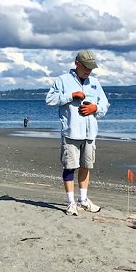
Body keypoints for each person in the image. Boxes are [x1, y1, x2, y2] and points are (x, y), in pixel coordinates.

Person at [45, 49, 110, 216]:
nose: (88, 70)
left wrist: (95, 108)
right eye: (86, 67)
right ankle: (71, 202)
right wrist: (71, 95)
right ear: (77, 63)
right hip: (71, 131)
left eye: (91, 68)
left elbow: (105, 105)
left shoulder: (94, 82)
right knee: (69, 167)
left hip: (90, 133)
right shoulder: (63, 80)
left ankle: (83, 200)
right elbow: (50, 100)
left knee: (86, 166)